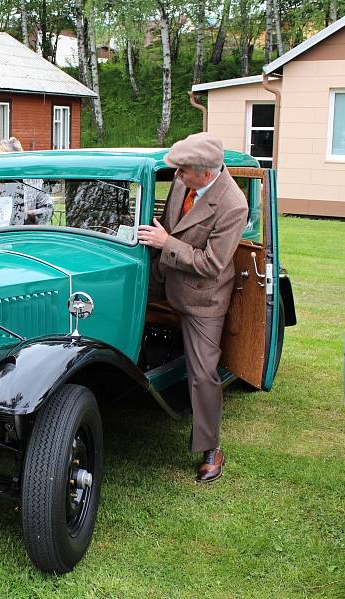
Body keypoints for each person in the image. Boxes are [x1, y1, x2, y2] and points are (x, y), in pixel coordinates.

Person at [137, 132, 248, 484]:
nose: (177, 177)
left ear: (204, 173)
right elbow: (169, 225)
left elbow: (212, 264)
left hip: (203, 295)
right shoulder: (183, 181)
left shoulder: (234, 205)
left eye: (182, 172)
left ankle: (210, 447)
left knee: (203, 373)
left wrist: (166, 243)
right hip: (163, 274)